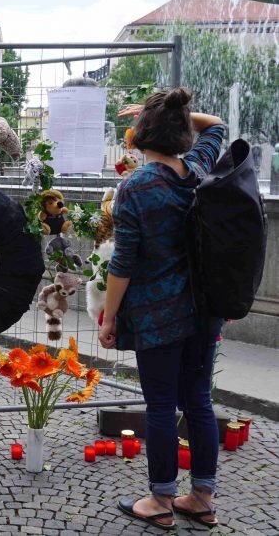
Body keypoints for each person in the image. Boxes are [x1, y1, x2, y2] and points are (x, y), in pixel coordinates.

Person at [99, 88, 225, 530]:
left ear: (138, 137)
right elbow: (217, 127)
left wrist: (110, 316)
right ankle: (203, 499)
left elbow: (124, 261)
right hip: (204, 312)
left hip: (157, 316)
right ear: (181, 134)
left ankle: (161, 501)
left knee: (160, 405)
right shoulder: (199, 167)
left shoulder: (136, 186)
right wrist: (176, 114)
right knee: (199, 402)